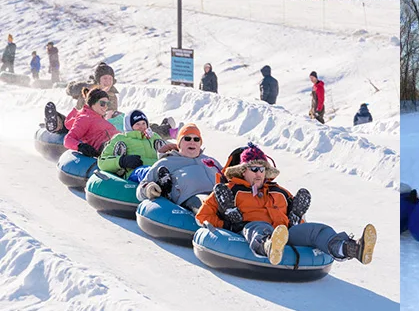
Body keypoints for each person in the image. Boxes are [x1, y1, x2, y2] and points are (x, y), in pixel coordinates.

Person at [196, 142, 377, 265]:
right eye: (254, 169)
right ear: (243, 171)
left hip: (286, 233)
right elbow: (203, 216)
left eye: (263, 169)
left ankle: (350, 248)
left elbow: (301, 226)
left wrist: (295, 220)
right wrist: (228, 223)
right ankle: (268, 246)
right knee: (258, 227)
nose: (259, 173)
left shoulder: (279, 192)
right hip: (252, 229)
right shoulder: (231, 190)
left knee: (317, 230)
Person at [136, 123, 223, 214]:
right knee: (206, 203)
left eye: (196, 139)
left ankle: (231, 215)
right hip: (193, 197)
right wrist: (149, 189)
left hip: (219, 194)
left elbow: (226, 176)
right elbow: (141, 189)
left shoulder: (210, 161)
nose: (192, 142)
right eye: (187, 138)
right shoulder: (166, 162)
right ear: (179, 144)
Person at [99, 109, 172, 182]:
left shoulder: (154, 137)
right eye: (137, 124)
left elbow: (167, 155)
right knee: (143, 171)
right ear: (129, 125)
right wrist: (122, 161)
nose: (142, 127)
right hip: (134, 174)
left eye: (144, 123)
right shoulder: (121, 139)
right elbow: (102, 162)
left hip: (158, 170)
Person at [63, 86, 117, 157]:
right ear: (92, 103)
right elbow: (68, 140)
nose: (106, 107)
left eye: (108, 104)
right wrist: (81, 146)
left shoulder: (99, 117)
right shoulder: (85, 118)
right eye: (102, 103)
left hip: (117, 144)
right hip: (107, 150)